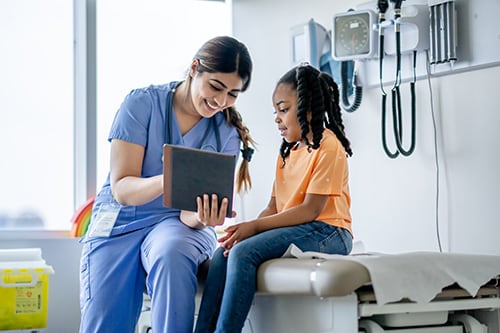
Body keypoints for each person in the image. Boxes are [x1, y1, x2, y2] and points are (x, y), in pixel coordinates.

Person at [79, 36, 255, 333]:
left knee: (172, 252)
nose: (221, 102)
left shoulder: (226, 132)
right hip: (120, 220)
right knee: (104, 323)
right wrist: (172, 178)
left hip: (176, 223)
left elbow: (188, 216)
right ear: (194, 68)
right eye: (215, 87)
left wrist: (203, 216)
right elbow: (122, 188)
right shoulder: (142, 104)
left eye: (233, 94)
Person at [194, 63, 354, 333]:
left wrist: (254, 230)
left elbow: (310, 210)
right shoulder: (287, 152)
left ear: (307, 108)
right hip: (299, 227)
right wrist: (242, 232)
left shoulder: (328, 146)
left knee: (244, 253)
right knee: (225, 251)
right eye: (276, 111)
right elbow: (274, 207)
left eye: (283, 109)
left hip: (330, 231)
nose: (277, 118)